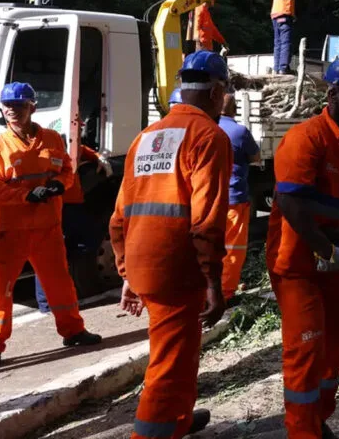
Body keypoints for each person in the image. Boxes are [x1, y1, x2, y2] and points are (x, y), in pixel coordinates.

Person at [109, 50, 232, 438]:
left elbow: (120, 216)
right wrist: (214, 281)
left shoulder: (146, 138)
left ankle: (178, 421)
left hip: (147, 264)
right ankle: (151, 432)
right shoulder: (209, 136)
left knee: (180, 350)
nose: (226, 99)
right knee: (169, 361)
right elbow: (206, 220)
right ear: (215, 92)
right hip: (178, 269)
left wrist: (128, 271)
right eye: (226, 92)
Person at [267, 55, 339, 438]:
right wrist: (325, 251)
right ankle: (302, 431)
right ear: (333, 94)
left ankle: (317, 417)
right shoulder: (305, 139)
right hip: (298, 261)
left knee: (338, 343)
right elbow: (292, 205)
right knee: (306, 348)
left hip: (338, 261)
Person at [0, 82, 102, 368]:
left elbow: (66, 171)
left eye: (20, 105)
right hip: (10, 229)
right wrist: (27, 195)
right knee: (1, 288)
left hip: (47, 226)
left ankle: (73, 331)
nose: (13, 110)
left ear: (32, 108)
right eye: (8, 106)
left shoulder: (52, 139)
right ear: (2, 108)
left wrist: (59, 185)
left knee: (59, 282)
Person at [35, 144, 112, 312]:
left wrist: (97, 157)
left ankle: (54, 302)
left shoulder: (59, 141)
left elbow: (80, 148)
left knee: (83, 242)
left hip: (72, 203)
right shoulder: (42, 144)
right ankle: (48, 306)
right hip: (55, 204)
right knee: (50, 256)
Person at [219, 92, 261, 302]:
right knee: (233, 248)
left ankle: (208, 291)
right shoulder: (239, 132)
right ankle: (226, 293)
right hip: (234, 197)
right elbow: (256, 156)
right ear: (234, 109)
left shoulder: (206, 128)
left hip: (208, 199)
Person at [271, 0, 322, 74]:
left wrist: (292, 14)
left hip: (277, 14)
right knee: (285, 42)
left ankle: (277, 68)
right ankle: (283, 68)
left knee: (278, 43)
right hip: (283, 14)